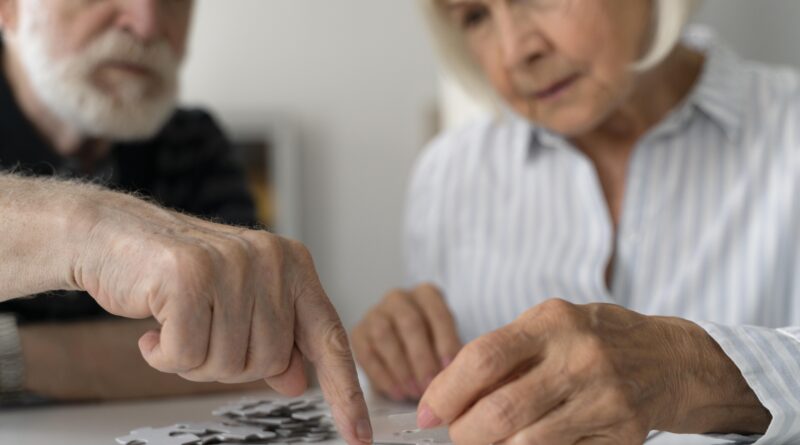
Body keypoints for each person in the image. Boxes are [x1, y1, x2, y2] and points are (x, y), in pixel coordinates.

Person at [353, 0, 800, 443]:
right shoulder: (447, 174)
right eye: (475, 16)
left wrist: (690, 372)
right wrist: (399, 353)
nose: (514, 53)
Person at [0, 1, 371, 444]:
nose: (147, 22)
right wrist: (89, 229)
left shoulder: (193, 142)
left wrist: (12, 357)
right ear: (11, 9)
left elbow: (256, 356)